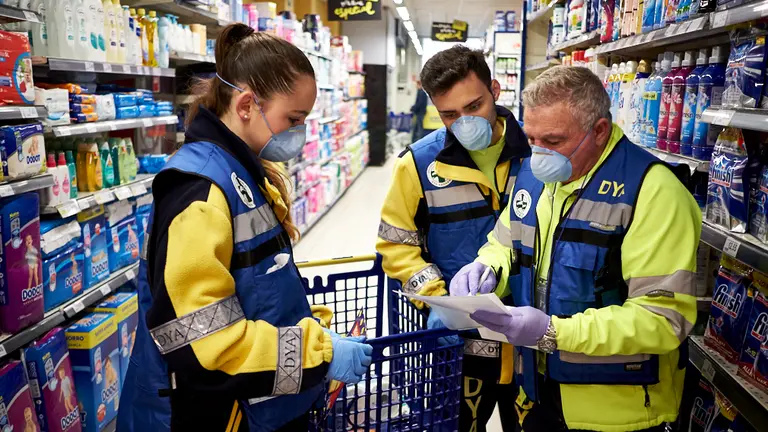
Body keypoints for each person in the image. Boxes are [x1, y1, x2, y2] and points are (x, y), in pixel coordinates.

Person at [118, 24, 373, 432]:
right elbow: (205, 345)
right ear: (246, 105)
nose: (300, 134)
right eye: (294, 119)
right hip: (210, 415)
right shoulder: (200, 191)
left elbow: (253, 285)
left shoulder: (242, 171)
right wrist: (318, 351)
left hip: (255, 407)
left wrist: (309, 324)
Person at [451, 66, 700, 431]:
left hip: (618, 411)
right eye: (532, 139)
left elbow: (662, 319)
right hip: (538, 392)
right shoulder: (537, 177)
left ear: (599, 131)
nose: (539, 154)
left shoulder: (653, 191)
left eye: (553, 141)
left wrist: (553, 333)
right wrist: (487, 269)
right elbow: (503, 243)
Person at [376, 45, 529, 432]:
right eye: (449, 114)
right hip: (461, 339)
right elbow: (395, 245)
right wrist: (437, 295)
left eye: (474, 106)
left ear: (495, 89)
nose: (464, 122)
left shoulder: (537, 152)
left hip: (532, 331)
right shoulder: (419, 164)